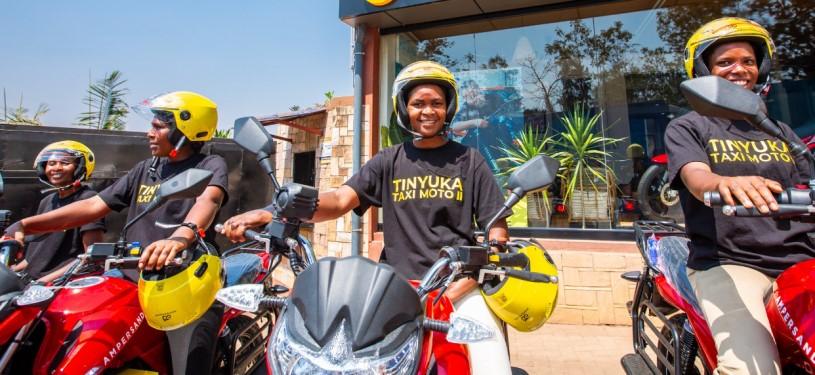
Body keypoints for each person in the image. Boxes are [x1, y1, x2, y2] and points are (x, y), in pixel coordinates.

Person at [222, 60, 514, 374]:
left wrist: (493, 254)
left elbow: (496, 227)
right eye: (418, 104)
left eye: (436, 103)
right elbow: (339, 200)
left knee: (489, 355)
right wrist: (272, 211)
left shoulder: (469, 161)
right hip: (395, 291)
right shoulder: (390, 160)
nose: (427, 111)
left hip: (454, 289)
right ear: (404, 109)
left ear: (448, 108)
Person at [4, 91, 228, 374]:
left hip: (182, 280)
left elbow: (209, 200)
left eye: (158, 127)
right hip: (130, 277)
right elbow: (93, 205)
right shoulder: (146, 168)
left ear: (186, 129)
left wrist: (179, 238)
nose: (149, 133)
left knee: (191, 363)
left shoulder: (209, 165)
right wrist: (26, 225)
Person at [665, 17, 814, 374]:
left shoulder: (781, 131)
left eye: (748, 61)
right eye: (725, 61)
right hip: (733, 263)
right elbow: (696, 177)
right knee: (751, 369)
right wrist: (722, 184)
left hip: (801, 261)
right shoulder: (689, 126)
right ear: (703, 70)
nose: (740, 69)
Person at [9, 141, 105, 283]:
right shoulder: (47, 201)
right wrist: (11, 271)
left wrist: (43, 282)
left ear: (78, 168)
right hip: (31, 282)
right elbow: (36, 255)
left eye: (65, 163)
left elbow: (90, 257)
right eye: (51, 163)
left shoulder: (88, 200)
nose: (56, 168)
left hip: (57, 284)